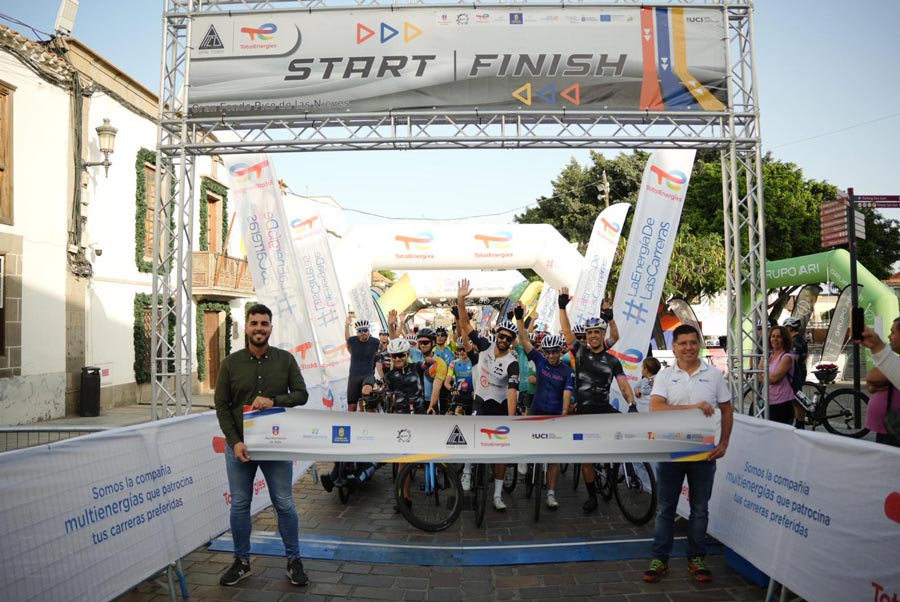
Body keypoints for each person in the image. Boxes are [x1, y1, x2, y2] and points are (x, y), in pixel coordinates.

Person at [214, 304, 309, 587]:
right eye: (254, 323)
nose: (259, 328)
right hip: (240, 448)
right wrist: (235, 442)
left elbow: (302, 394)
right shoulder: (230, 363)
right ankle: (241, 562)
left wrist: (275, 400)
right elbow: (222, 406)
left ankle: (294, 561)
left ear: (270, 327)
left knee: (284, 503)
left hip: (274, 445)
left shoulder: (285, 360)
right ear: (246, 327)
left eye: (264, 323)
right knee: (240, 505)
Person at [643, 324, 733, 584]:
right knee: (665, 509)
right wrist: (694, 408)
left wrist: (724, 443)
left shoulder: (714, 375)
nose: (688, 347)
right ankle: (660, 559)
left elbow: (727, 410)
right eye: (682, 343)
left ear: (699, 345)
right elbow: (656, 408)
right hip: (671, 451)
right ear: (674, 347)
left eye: (693, 342)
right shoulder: (665, 376)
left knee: (700, 509)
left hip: (703, 454)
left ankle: (697, 558)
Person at [558, 287, 635, 513]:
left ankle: (625, 470)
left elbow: (623, 384)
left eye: (597, 333)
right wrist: (562, 307)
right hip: (584, 412)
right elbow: (567, 331)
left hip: (604, 408)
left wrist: (632, 404)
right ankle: (592, 496)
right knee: (587, 458)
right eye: (590, 333)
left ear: (602, 335)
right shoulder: (580, 353)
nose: (593, 336)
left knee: (629, 429)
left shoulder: (612, 361)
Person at [457, 278, 520, 511]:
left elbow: (512, 392)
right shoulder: (483, 345)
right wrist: (460, 300)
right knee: (472, 438)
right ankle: (467, 471)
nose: (503, 340)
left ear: (512, 342)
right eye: (501, 336)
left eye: (508, 339)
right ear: (497, 334)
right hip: (481, 402)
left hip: (500, 407)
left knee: (500, 454)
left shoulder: (513, 363)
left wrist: (511, 419)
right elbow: (465, 324)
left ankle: (497, 494)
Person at [515, 304, 574, 510]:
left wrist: (565, 412)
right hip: (537, 409)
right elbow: (524, 341)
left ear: (560, 351)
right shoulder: (539, 361)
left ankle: (550, 493)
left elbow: (567, 393)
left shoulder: (567, 371)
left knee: (553, 458)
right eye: (548, 353)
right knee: (527, 437)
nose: (551, 356)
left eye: (554, 352)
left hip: (556, 413)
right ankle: (525, 459)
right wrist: (520, 319)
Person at [860, 319, 900, 447]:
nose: (889, 336)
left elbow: (873, 376)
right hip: (888, 427)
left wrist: (877, 346)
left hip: (894, 429)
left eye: (893, 332)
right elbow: (872, 381)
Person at [758, 325, 796, 425]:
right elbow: (758, 376)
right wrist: (764, 376)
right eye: (773, 336)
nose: (775, 339)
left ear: (784, 339)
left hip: (782, 403)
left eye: (779, 337)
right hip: (767, 400)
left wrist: (763, 376)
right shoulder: (768, 356)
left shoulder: (787, 357)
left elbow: (774, 379)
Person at [783, 317, 809, 429]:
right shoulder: (800, 340)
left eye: (785, 328)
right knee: (797, 399)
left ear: (789, 328)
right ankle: (799, 422)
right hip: (801, 371)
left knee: (797, 400)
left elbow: (794, 360)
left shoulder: (795, 342)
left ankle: (800, 423)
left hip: (796, 374)